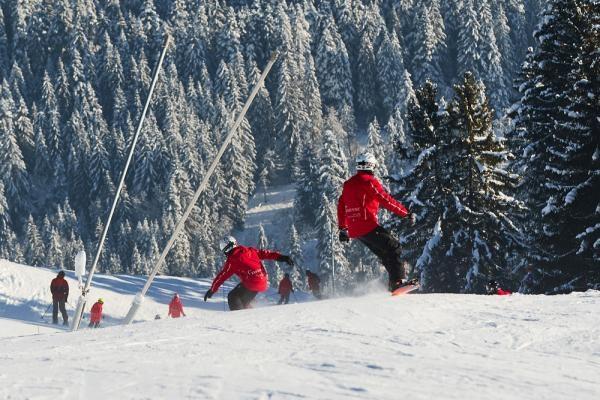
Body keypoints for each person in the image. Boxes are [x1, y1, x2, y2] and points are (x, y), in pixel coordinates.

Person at [337, 152, 415, 292]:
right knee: (394, 247)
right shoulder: (369, 181)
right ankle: (398, 282)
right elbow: (384, 198)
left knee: (385, 252)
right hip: (367, 224)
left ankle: (394, 284)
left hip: (356, 230)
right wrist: (404, 213)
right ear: (371, 165)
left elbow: (341, 205)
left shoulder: (348, 184)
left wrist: (343, 228)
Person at [204, 236, 294, 311]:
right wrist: (281, 257)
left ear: (226, 249)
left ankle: (239, 319)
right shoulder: (250, 250)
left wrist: (212, 290)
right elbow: (266, 254)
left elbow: (222, 276)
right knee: (243, 301)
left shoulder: (232, 260)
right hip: (262, 281)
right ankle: (250, 313)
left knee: (232, 296)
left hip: (252, 284)